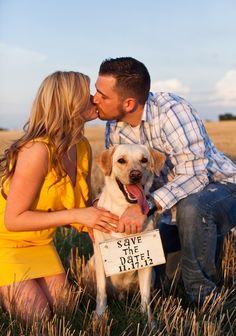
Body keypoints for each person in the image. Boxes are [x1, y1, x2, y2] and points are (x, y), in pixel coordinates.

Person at [93, 56, 236, 305]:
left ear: (128, 103)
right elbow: (117, 177)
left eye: (102, 95)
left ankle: (202, 297)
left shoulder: (172, 111)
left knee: (194, 208)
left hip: (221, 188)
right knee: (157, 281)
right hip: (172, 207)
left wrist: (145, 207)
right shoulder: (115, 127)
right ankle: (201, 240)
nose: (94, 99)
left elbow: (197, 175)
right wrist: (100, 211)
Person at [0, 71, 119, 322]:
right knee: (39, 316)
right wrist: (79, 215)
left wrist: (105, 219)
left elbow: (81, 208)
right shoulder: (37, 150)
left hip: (41, 243)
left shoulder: (81, 146)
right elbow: (14, 220)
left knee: (67, 310)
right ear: (69, 103)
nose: (94, 99)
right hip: (6, 244)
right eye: (86, 94)